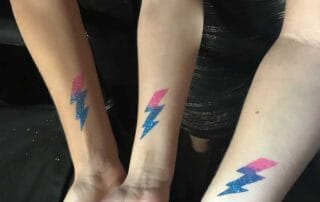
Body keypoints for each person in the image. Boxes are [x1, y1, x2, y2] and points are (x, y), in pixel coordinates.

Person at [10, 0, 320, 202]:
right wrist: (95, 168)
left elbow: (310, 42)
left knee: (207, 119)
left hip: (247, 31)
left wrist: (149, 176)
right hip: (109, 26)